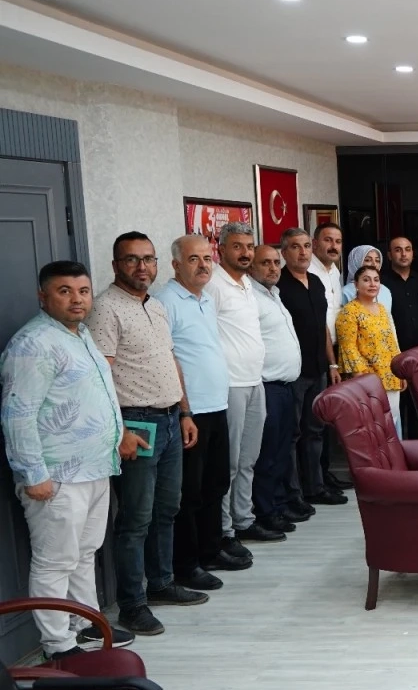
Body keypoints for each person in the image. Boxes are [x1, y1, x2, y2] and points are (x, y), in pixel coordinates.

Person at [1, 261, 137, 659]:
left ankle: (86, 625)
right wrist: (33, 473)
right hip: (56, 475)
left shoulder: (81, 335)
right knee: (55, 561)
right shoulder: (33, 344)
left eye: (83, 291)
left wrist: (120, 434)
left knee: (84, 553)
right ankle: (58, 645)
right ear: (43, 297)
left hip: (95, 467)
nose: (77, 299)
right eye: (64, 291)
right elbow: (18, 414)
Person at [87, 232, 206, 637]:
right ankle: (132, 604)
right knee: (135, 518)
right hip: (135, 421)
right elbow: (100, 377)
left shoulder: (154, 306)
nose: (142, 267)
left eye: (148, 259)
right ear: (116, 265)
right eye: (132, 259)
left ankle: (161, 583)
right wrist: (119, 430)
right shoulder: (105, 308)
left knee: (166, 509)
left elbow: (171, 361)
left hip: (170, 418)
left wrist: (185, 411)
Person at [156, 236, 252, 599]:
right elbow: (169, 360)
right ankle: (187, 563)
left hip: (217, 404)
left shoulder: (206, 299)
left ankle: (212, 550)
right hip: (191, 411)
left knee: (215, 484)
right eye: (193, 259)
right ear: (176, 265)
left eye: (206, 259)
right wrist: (184, 411)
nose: (202, 265)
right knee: (189, 492)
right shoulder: (166, 302)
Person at [205, 223, 281, 545]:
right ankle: (225, 530)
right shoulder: (213, 285)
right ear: (221, 249)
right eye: (238, 246)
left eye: (249, 246)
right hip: (231, 384)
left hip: (255, 381)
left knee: (249, 458)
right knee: (231, 463)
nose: (246, 252)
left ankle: (244, 518)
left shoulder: (248, 284)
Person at [276, 228, 344, 510]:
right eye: (295, 247)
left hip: (318, 367)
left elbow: (323, 328)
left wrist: (332, 363)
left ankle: (316, 487)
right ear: (284, 252)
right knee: (293, 434)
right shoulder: (278, 285)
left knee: (316, 430)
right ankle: (294, 493)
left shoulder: (315, 282)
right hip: (294, 371)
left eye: (306, 246)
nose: (302, 252)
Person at [249, 244, 305, 536]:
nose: (273, 268)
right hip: (267, 386)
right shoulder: (250, 298)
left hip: (285, 386)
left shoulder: (274, 294)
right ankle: (265, 511)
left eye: (275, 262)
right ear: (251, 266)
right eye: (265, 263)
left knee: (282, 451)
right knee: (268, 454)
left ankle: (279, 504)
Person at [307, 222, 352, 495]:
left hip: (335, 348)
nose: (333, 246)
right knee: (315, 421)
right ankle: (315, 482)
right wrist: (332, 360)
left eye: (337, 241)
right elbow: (321, 322)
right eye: (327, 240)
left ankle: (325, 474)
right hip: (320, 352)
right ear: (315, 243)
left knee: (326, 421)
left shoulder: (335, 271)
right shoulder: (309, 271)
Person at [336, 265, 404, 434]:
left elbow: (391, 341)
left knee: (391, 422)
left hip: (390, 375)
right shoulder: (349, 312)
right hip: (367, 379)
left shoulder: (381, 309)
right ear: (356, 285)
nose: (372, 284)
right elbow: (349, 348)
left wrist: (400, 371)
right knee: (373, 426)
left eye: (376, 280)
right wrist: (361, 378)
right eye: (366, 280)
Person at [382, 237, 418, 435]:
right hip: (392, 355)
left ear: (412, 254)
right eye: (398, 250)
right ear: (389, 255)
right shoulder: (380, 283)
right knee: (396, 407)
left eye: (407, 249)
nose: (403, 254)